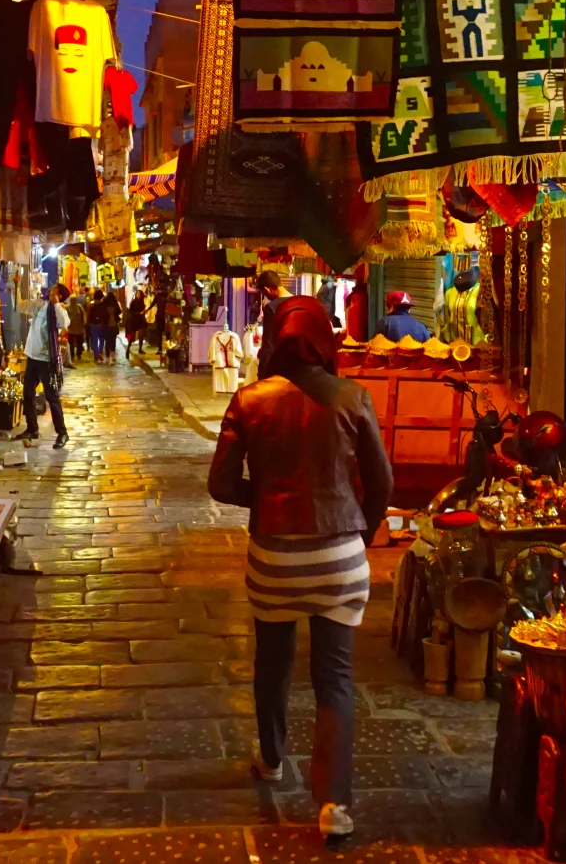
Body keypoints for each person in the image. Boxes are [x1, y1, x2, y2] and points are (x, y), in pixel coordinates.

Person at [207, 295, 392, 839]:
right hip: (341, 555)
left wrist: (264, 497)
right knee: (334, 677)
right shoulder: (354, 397)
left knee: (273, 661)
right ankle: (334, 804)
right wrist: (359, 530)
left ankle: (271, 757)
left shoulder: (248, 400)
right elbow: (381, 484)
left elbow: (219, 484)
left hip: (274, 556)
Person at [21, 284, 71, 448]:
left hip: (46, 360)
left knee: (51, 396)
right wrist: (14, 286)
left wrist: (56, 304)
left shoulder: (58, 310)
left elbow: (64, 323)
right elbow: (20, 305)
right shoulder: (41, 306)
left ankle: (62, 433)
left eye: (55, 289)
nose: (50, 290)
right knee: (27, 393)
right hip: (32, 356)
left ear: (60, 295)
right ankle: (32, 428)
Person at [88, 288, 120, 363]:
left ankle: (96, 356)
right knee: (102, 339)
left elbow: (89, 315)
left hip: (93, 325)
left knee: (95, 340)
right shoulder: (104, 305)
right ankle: (100, 352)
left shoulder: (92, 306)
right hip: (102, 325)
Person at [65, 288, 88, 365]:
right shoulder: (68, 308)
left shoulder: (79, 307)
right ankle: (72, 355)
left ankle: (78, 354)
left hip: (78, 328)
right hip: (72, 329)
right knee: (72, 343)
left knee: (79, 343)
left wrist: (84, 323)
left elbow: (84, 315)